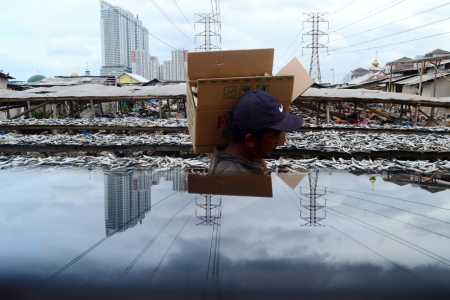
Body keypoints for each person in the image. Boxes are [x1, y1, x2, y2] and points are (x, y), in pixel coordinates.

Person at [209, 90, 304, 175]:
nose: (279, 140)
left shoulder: (243, 155)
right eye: (275, 136)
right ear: (250, 140)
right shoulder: (234, 178)